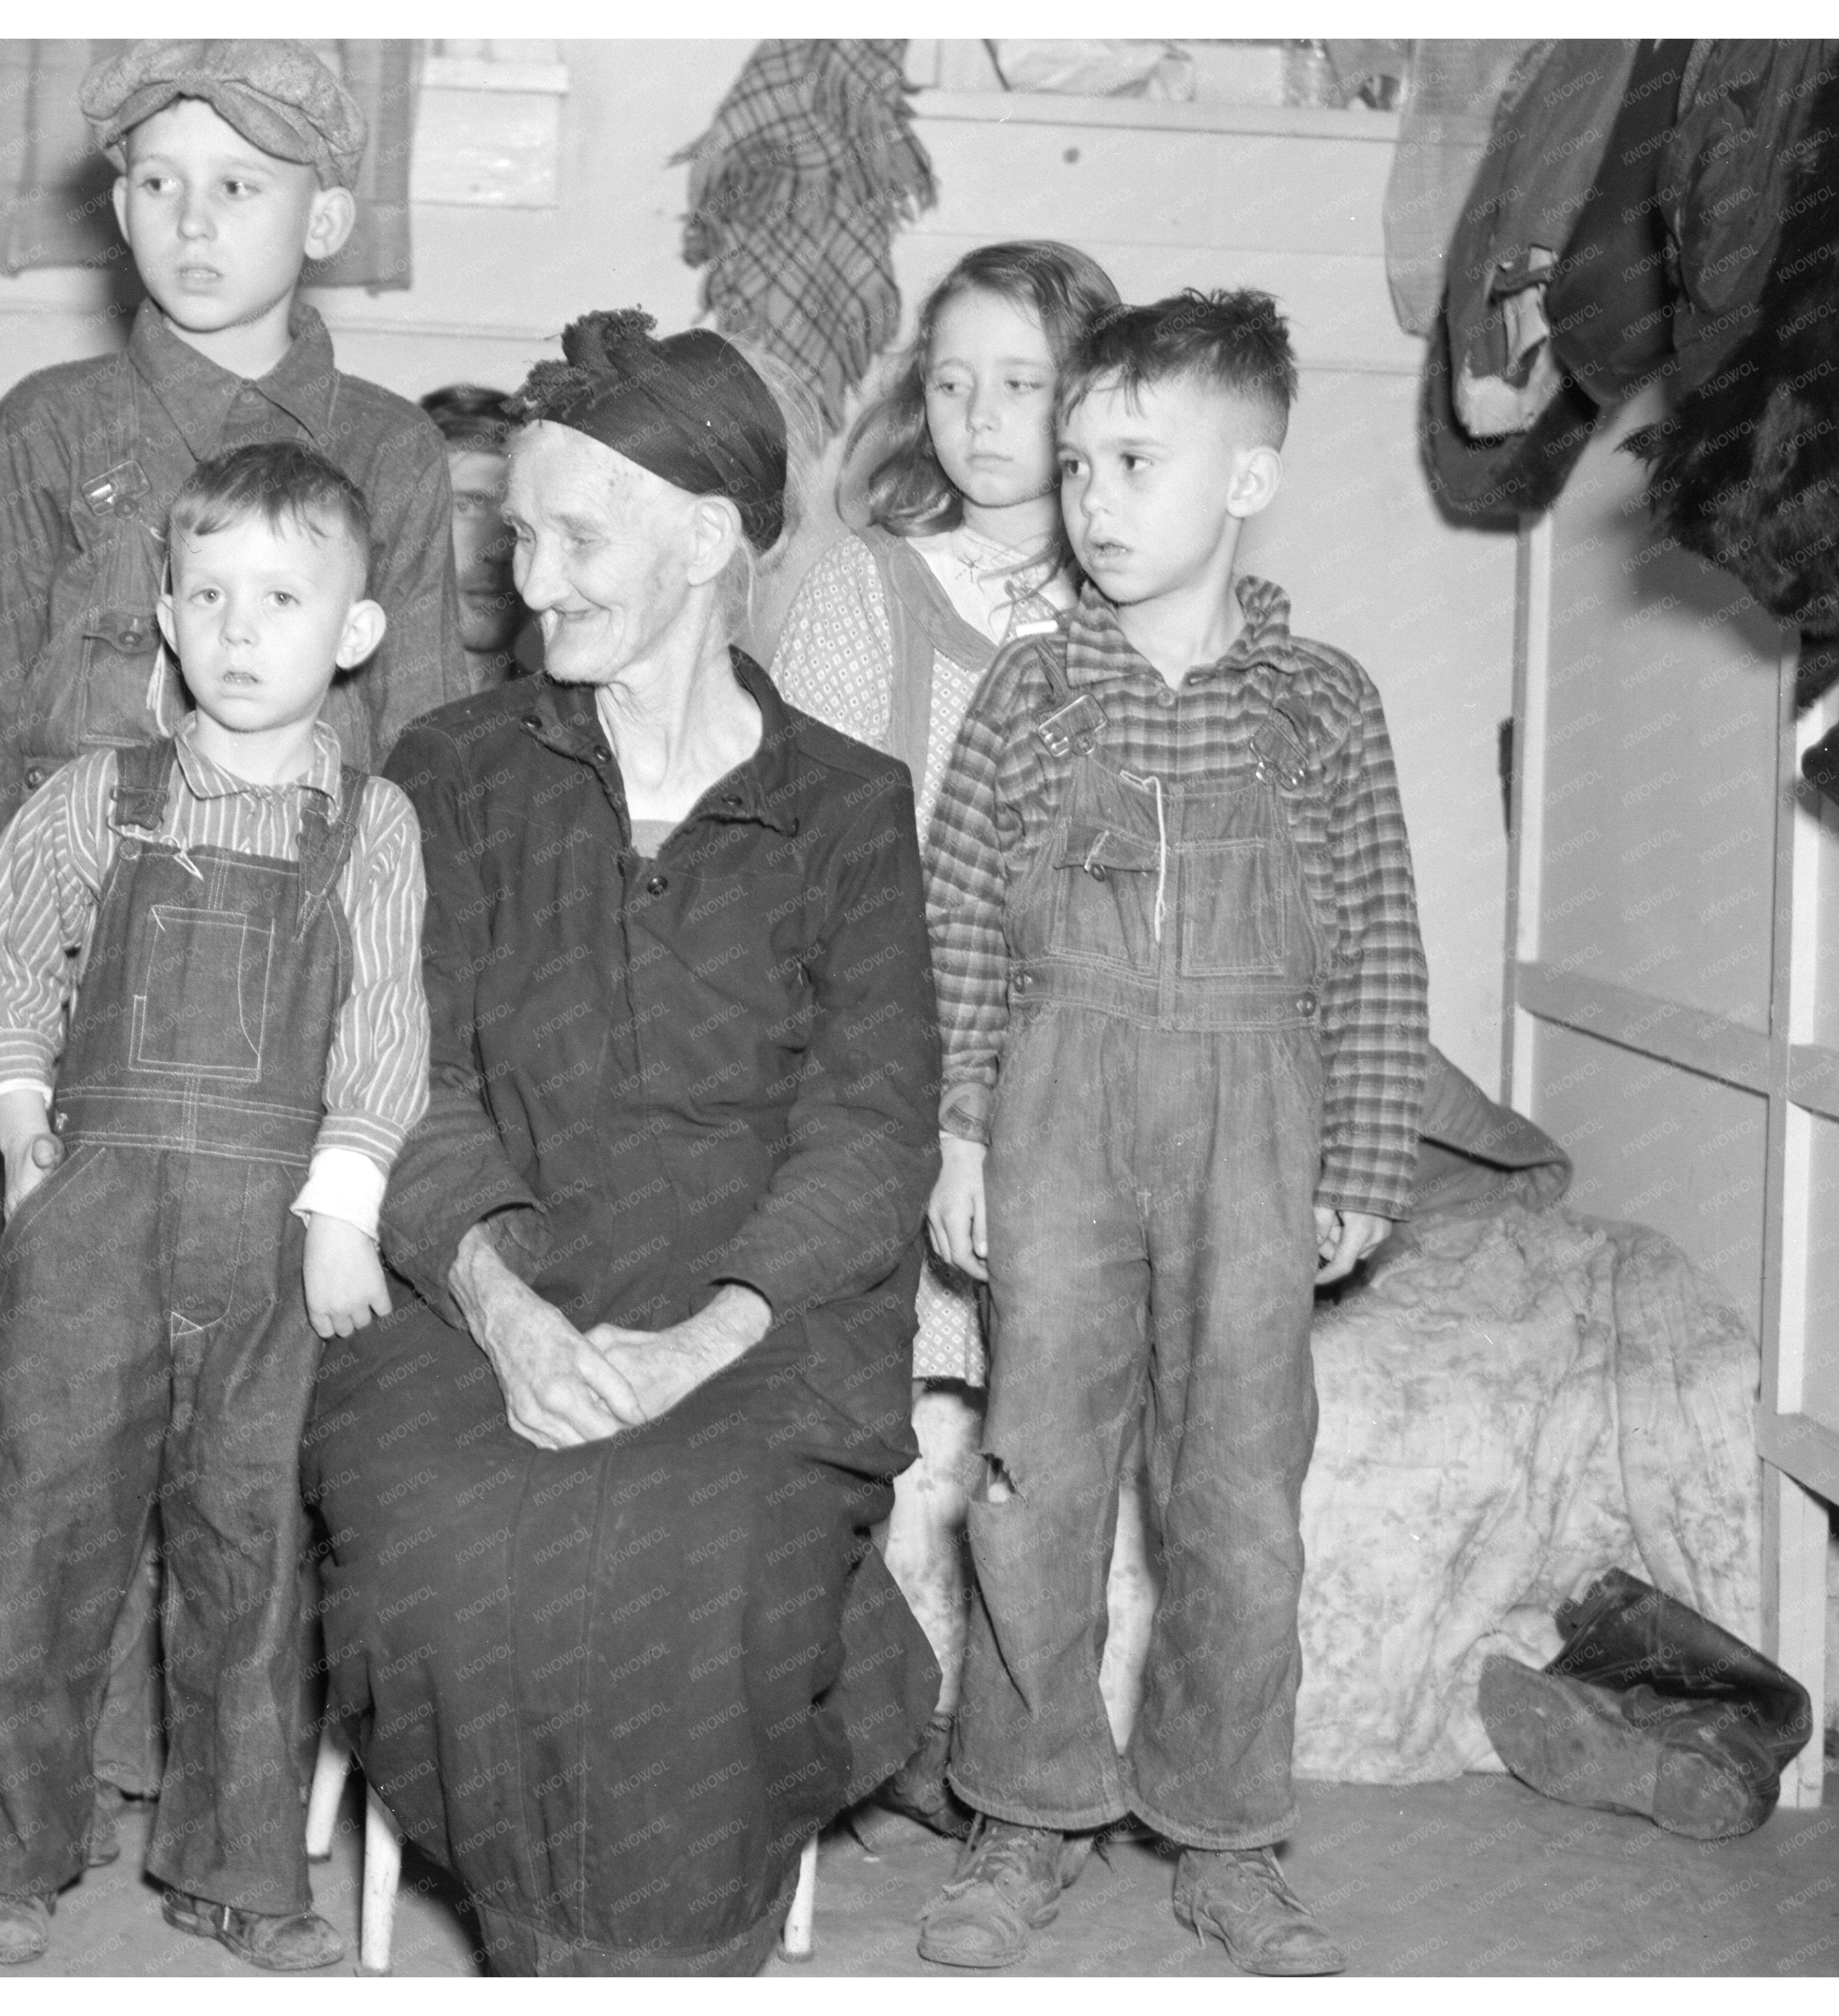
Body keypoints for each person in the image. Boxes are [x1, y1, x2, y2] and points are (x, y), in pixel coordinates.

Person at [304, 308, 944, 1975]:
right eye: (516, 533)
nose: (530, 581)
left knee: (687, 1570)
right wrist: (509, 1312)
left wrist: (699, 1342)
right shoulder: (449, 770)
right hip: (474, 1285)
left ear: (712, 536)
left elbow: (872, 1130)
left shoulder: (849, 811)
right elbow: (403, 1074)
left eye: (576, 534)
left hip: (757, 1313)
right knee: (457, 1547)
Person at [0, 37, 467, 1846]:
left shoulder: (390, 455)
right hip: (72, 1022)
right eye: (154, 183)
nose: (191, 224)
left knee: (254, 1453)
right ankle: (40, 1801)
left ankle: (220, 1810)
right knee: (61, 1446)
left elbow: (431, 750)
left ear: (333, 213)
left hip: (289, 1040)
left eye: (240, 184)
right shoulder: (48, 435)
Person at [919, 290, 1428, 1976]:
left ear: (1250, 476)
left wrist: (1360, 1159)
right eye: (1074, 465)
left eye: (1135, 459)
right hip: (1060, 1105)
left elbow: (1376, 944)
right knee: (1029, 1478)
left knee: (1236, 1498)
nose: (1093, 498)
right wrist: (960, 1135)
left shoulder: (1322, 703)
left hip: (1254, 1117)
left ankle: (1223, 1825)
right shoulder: (1025, 695)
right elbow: (955, 938)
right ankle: (1022, 1805)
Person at [0, 441, 430, 1970]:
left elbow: (389, 1032)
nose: (238, 628)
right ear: (164, 612)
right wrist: (20, 1118)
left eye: (281, 597)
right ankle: (13, 1856)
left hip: (278, 1241)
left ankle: (240, 1873)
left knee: (257, 1559)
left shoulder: (374, 828)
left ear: (352, 632)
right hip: (91, 1223)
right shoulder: (104, 798)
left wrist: (349, 1204)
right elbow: (5, 955)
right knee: (43, 1540)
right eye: (207, 592)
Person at [771, 239, 1119, 1836]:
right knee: (852, 1419)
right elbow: (809, 865)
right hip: (893, 1049)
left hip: (1074, 1062)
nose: (983, 420)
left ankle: (1025, 1747)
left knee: (1046, 1437)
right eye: (956, 380)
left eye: (1026, 385)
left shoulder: (1141, 602)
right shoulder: (863, 585)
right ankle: (856, 1728)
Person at [419, 382, 535, 686]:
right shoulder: (326, 721)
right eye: (465, 508)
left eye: (519, 518)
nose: (499, 550)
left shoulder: (582, 723)